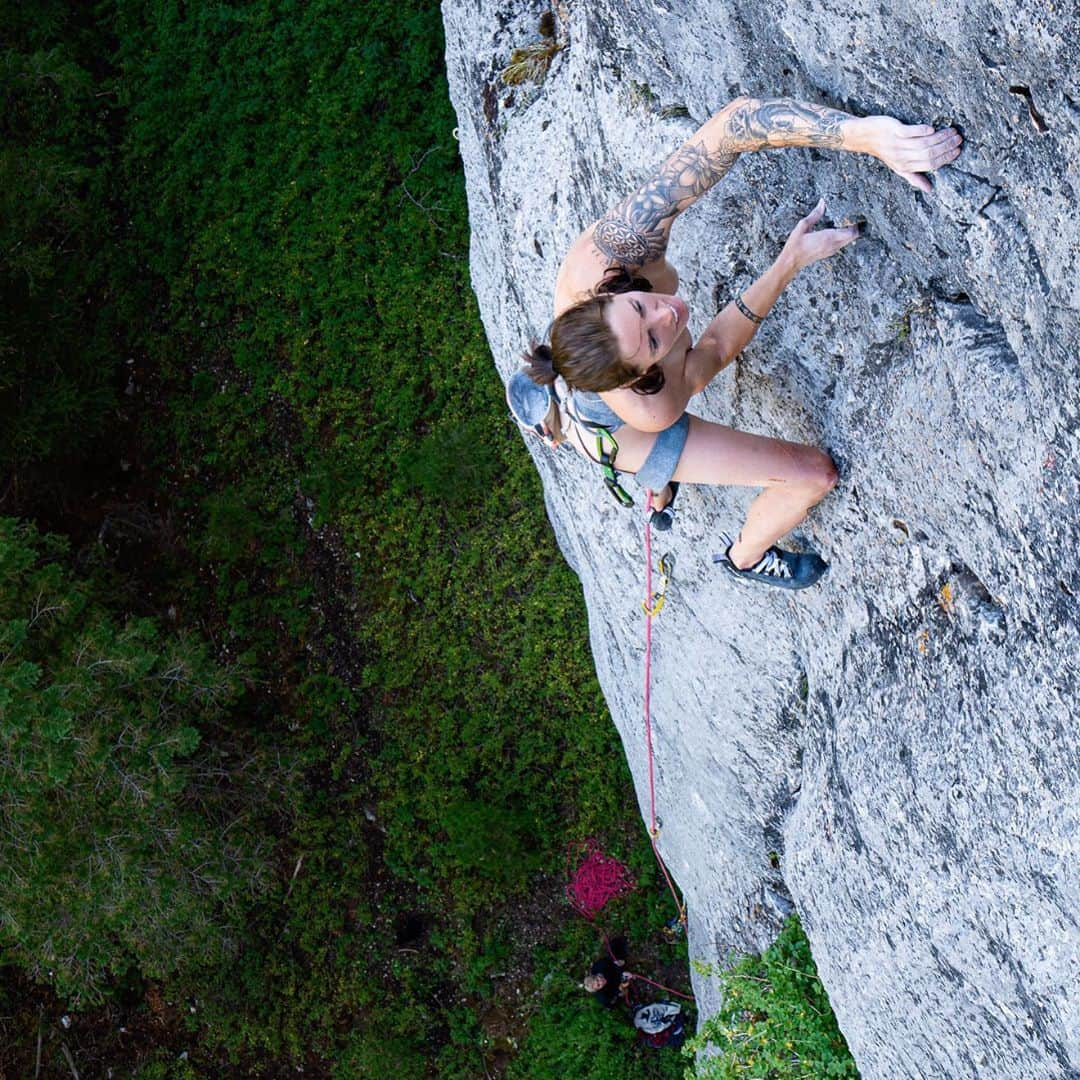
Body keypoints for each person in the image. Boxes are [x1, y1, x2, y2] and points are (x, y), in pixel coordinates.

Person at [516, 96, 962, 589]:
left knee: (646, 432)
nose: (668, 313)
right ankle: (745, 556)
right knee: (813, 477)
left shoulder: (616, 250)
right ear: (644, 374)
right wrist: (787, 265)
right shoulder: (652, 407)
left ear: (606, 297)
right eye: (654, 341)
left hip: (603, 380)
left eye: (639, 307)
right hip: (617, 432)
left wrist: (864, 137)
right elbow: (713, 351)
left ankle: (660, 486)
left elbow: (734, 126)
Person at [583, 935, 632, 1007]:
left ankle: (625, 939)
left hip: (614, 969)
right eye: (599, 985)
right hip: (616, 987)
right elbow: (612, 1000)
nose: (601, 982)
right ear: (598, 990)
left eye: (597, 979)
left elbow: (609, 962)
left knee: (613, 950)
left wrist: (620, 967)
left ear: (595, 975)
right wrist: (621, 989)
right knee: (623, 992)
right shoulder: (603, 996)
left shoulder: (599, 966)